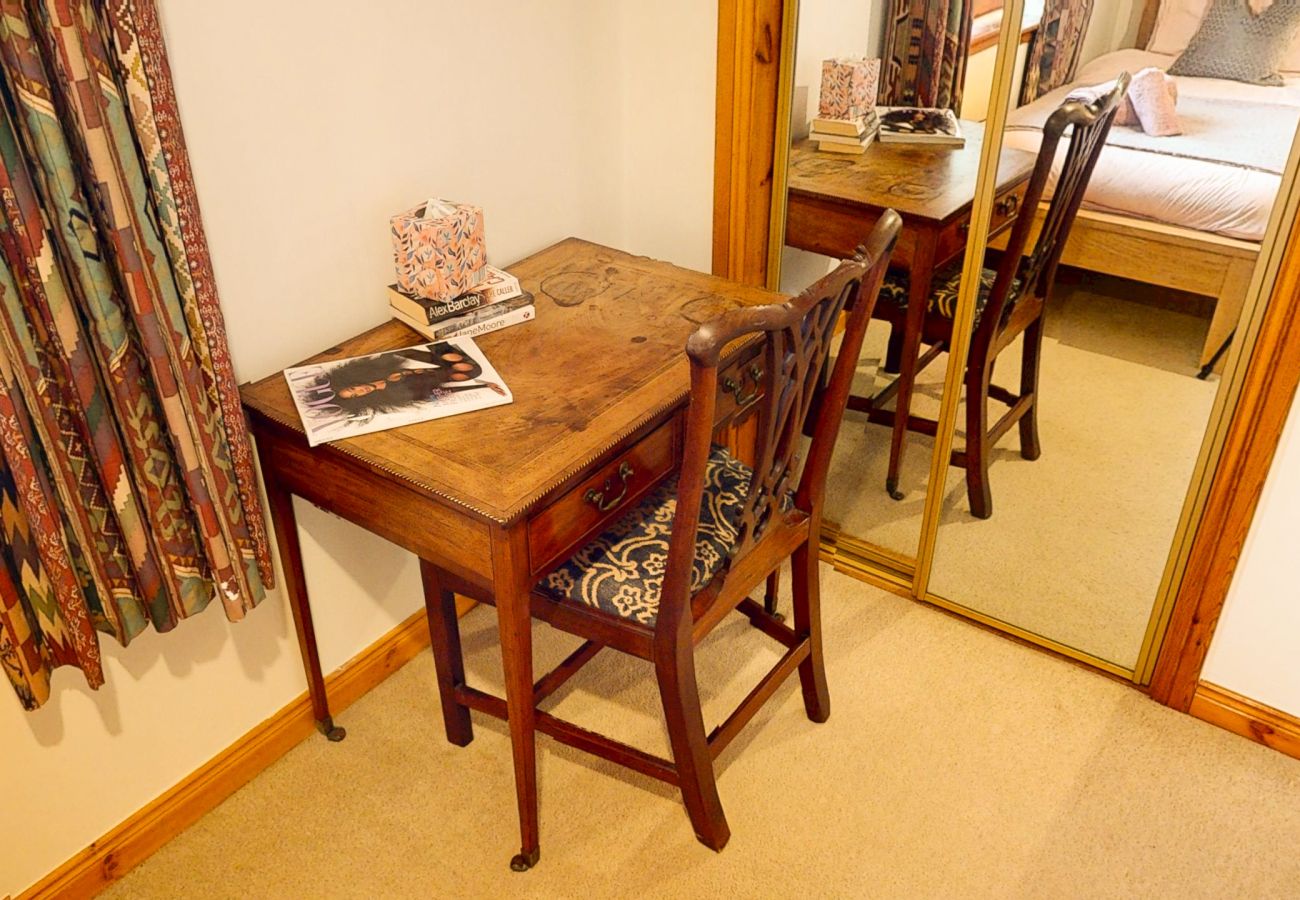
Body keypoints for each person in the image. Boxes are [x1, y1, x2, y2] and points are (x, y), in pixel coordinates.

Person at [323, 343, 504, 418]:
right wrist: (484, 386)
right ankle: (436, 341)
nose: (359, 390)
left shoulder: (376, 370)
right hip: (441, 374)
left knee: (463, 367)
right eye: (354, 395)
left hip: (414, 355)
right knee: (470, 371)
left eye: (353, 388)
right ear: (359, 400)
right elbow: (438, 393)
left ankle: (434, 339)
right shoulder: (394, 395)